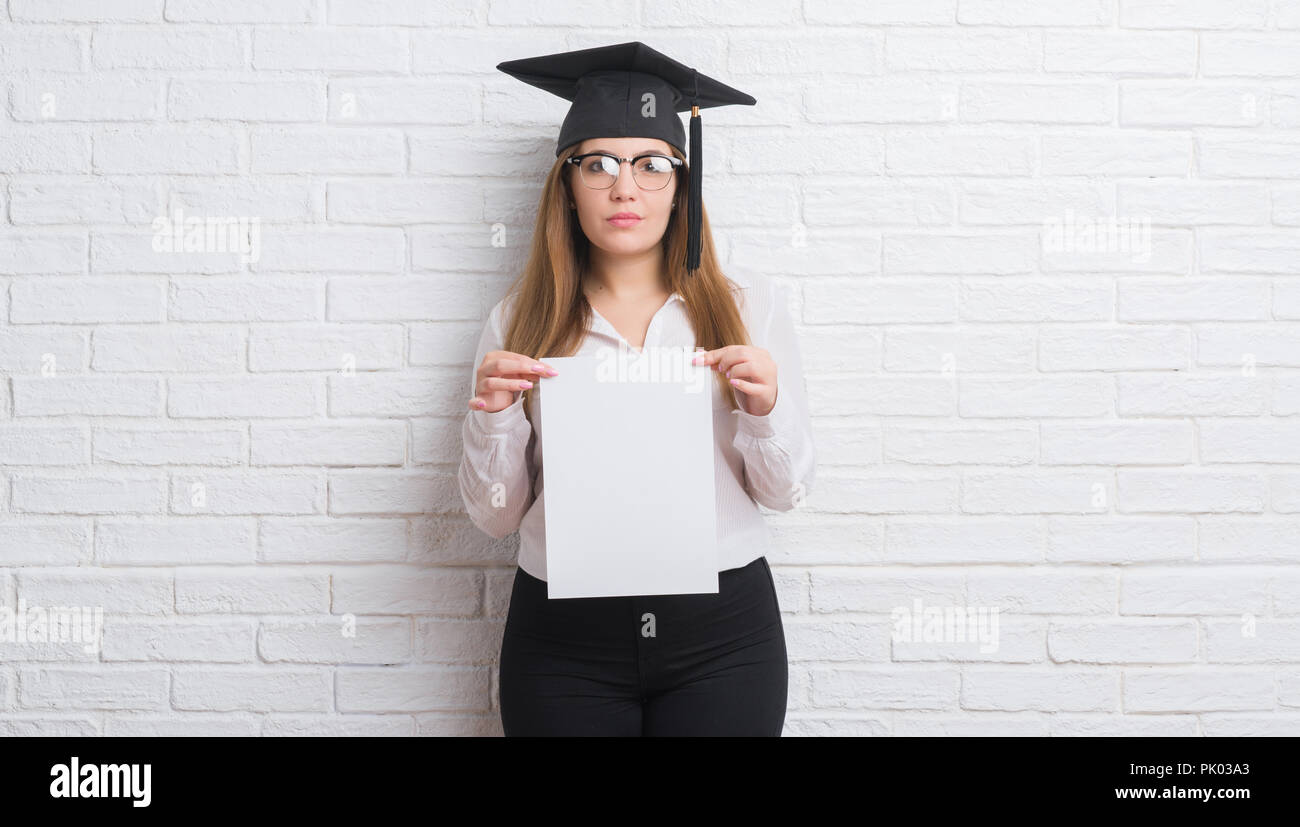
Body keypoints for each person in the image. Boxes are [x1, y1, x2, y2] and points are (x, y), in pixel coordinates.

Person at [459, 42, 816, 736]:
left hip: (722, 636)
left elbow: (787, 493)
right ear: (566, 184)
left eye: (652, 165)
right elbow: (496, 518)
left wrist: (767, 412)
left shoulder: (747, 308)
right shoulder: (518, 319)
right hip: (563, 638)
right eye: (599, 164)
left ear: (682, 183)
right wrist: (495, 421)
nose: (626, 188)